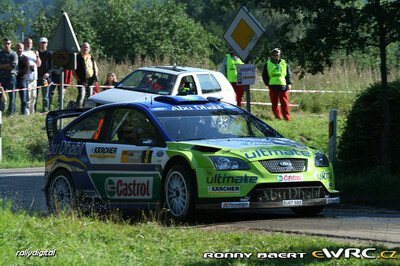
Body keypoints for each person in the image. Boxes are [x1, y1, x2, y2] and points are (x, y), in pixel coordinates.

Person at [262, 48, 293, 121]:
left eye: (277, 54)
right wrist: (267, 83)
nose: (276, 56)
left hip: (283, 85)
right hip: (272, 86)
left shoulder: (284, 63)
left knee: (284, 103)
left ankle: (287, 118)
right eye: (274, 55)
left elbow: (289, 74)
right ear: (272, 55)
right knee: (274, 103)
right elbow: (264, 75)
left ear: (279, 54)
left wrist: (289, 83)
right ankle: (278, 117)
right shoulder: (267, 64)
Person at [73, 42, 98, 108]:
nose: (85, 48)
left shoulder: (91, 57)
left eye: (87, 47)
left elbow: (95, 68)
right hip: (81, 80)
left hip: (91, 80)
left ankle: (87, 111)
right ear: (81, 48)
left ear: (89, 49)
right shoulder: (77, 57)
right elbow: (73, 71)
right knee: (81, 95)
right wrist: (78, 80)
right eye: (84, 47)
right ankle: (78, 110)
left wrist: (96, 78)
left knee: (89, 97)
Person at [23, 37, 41, 114]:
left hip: (34, 78)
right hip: (26, 78)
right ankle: (26, 113)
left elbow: (39, 64)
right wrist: (28, 66)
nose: (29, 44)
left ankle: (32, 112)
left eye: (30, 43)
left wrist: (37, 56)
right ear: (24, 43)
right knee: (28, 97)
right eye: (27, 43)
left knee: (33, 96)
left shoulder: (33, 53)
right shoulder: (23, 53)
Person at [0, 38, 18, 115]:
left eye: (8, 43)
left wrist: (2, 66)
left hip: (11, 77)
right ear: (3, 44)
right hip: (1, 77)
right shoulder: (0, 53)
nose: (6, 45)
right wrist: (7, 65)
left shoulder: (14, 54)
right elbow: (9, 66)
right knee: (1, 95)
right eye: (5, 44)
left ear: (11, 44)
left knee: (12, 96)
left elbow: (13, 66)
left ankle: (11, 113)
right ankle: (1, 111)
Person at [37, 37, 53, 112]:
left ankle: (45, 110)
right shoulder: (36, 53)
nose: (43, 44)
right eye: (42, 42)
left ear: (47, 44)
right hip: (36, 77)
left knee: (45, 96)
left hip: (46, 78)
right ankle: (33, 110)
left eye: (44, 42)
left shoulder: (50, 53)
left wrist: (48, 73)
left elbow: (52, 66)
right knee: (34, 95)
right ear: (39, 43)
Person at [15, 43, 29, 115]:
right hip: (13, 79)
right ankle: (12, 112)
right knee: (13, 98)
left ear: (23, 49)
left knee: (23, 98)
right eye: (17, 48)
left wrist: (18, 73)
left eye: (20, 48)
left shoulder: (25, 58)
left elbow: (26, 69)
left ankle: (23, 113)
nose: (19, 49)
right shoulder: (13, 57)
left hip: (22, 79)